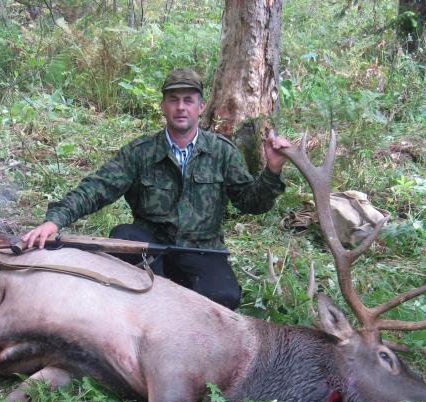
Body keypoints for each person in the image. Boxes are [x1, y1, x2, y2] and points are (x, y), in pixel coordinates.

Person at [23, 68, 291, 309]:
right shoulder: (141, 152)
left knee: (224, 298)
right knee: (123, 236)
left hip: (201, 249)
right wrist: (54, 220)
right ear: (163, 106)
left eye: (188, 100)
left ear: (201, 106)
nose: (181, 107)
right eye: (173, 100)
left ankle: (169, 296)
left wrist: (273, 169)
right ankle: (155, 298)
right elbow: (97, 187)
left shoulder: (222, 152)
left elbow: (251, 202)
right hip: (150, 249)